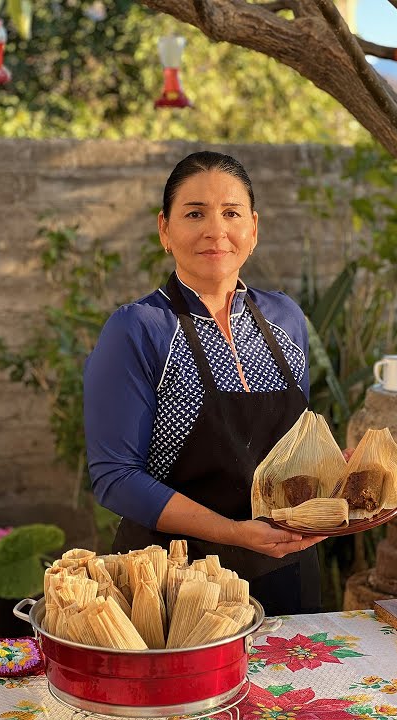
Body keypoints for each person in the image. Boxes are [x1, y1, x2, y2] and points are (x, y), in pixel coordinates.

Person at [83, 151, 324, 615]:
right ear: (165, 230)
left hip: (286, 570)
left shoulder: (286, 320)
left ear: (253, 229)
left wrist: (338, 477)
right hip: (171, 582)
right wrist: (234, 533)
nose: (216, 230)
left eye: (231, 214)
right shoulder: (138, 328)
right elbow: (115, 477)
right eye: (195, 214)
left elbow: (291, 451)